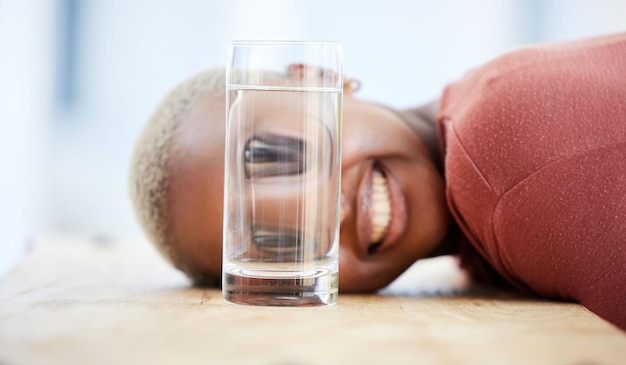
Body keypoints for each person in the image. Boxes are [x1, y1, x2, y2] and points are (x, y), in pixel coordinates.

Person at [130, 32, 626, 330]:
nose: (327, 210)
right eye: (281, 244)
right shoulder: (480, 210)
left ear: (320, 78)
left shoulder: (507, 154)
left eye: (276, 155)